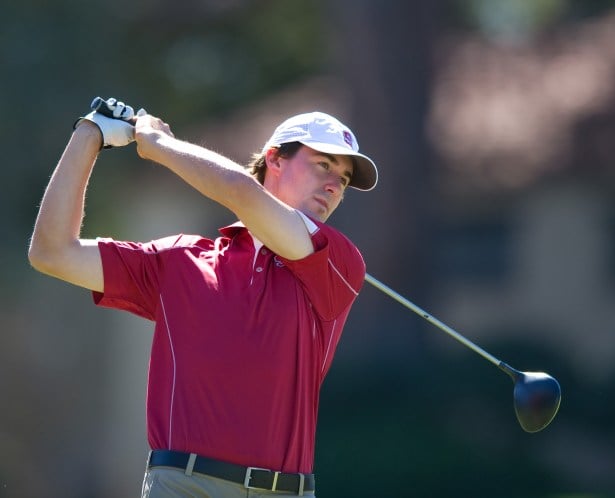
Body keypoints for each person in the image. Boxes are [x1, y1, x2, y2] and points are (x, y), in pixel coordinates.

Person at [28, 97, 378, 497]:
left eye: (344, 180)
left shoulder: (339, 263)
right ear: (275, 159)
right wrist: (89, 134)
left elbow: (238, 190)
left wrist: (156, 143)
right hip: (182, 486)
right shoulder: (181, 260)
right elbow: (51, 252)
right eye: (323, 165)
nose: (334, 185)